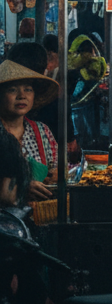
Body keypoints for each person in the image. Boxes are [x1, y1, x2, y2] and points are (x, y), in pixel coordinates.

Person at [0, 61, 59, 203]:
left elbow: (57, 167)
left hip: (40, 216)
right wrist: (22, 188)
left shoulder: (42, 131)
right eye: (12, 90)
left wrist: (56, 176)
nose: (21, 96)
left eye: (28, 89)